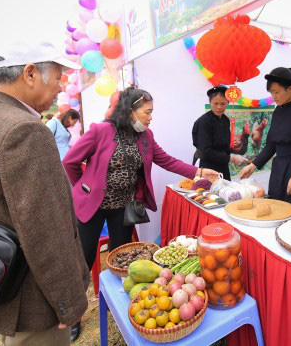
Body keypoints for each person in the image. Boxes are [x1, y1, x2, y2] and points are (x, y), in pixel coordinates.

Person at [0, 40, 89, 345]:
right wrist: (69, 302)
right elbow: (46, 233)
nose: (59, 87)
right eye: (57, 77)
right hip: (33, 300)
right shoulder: (26, 131)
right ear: (29, 73)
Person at [63, 87, 219, 269]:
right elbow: (69, 162)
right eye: (147, 112)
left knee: (121, 257)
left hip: (124, 207)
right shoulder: (101, 131)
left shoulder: (146, 136)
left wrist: (199, 172)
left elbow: (167, 160)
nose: (150, 117)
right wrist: (85, 187)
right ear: (130, 111)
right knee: (85, 258)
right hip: (93, 205)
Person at [238, 67, 291, 213]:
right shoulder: (278, 111)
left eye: (276, 92)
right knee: (276, 210)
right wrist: (253, 165)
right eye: (271, 92)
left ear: (290, 89)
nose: (273, 96)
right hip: (279, 170)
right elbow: (271, 144)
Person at [192, 86, 247, 180]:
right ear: (210, 102)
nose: (219, 107)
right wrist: (231, 158)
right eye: (215, 103)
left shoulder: (225, 119)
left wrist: (238, 155)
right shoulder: (204, 122)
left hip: (222, 163)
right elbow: (206, 151)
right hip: (206, 165)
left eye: (223, 103)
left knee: (226, 190)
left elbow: (225, 145)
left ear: (228, 103)